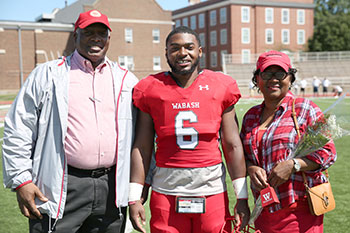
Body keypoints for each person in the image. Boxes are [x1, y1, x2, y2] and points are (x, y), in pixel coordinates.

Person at [2, 10, 138, 233]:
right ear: (75, 36)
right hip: (63, 183)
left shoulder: (126, 79)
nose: (96, 38)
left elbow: (142, 135)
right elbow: (19, 128)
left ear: (109, 39)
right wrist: (21, 181)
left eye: (101, 33)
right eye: (88, 32)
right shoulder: (47, 74)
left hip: (111, 186)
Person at [129, 26, 250, 233]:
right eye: (174, 48)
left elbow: (232, 144)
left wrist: (242, 197)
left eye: (189, 47)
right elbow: (142, 147)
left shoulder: (220, 85)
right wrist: (134, 197)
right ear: (166, 53)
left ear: (200, 51)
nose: (182, 53)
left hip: (210, 190)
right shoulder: (150, 87)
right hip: (166, 190)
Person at [240, 50, 337, 232]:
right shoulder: (250, 117)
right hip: (264, 208)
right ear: (257, 79)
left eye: (280, 73)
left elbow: (329, 152)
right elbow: (241, 157)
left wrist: (294, 165)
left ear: (290, 79)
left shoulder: (305, 109)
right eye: (267, 73)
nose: (273, 79)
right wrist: (251, 168)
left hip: (300, 210)